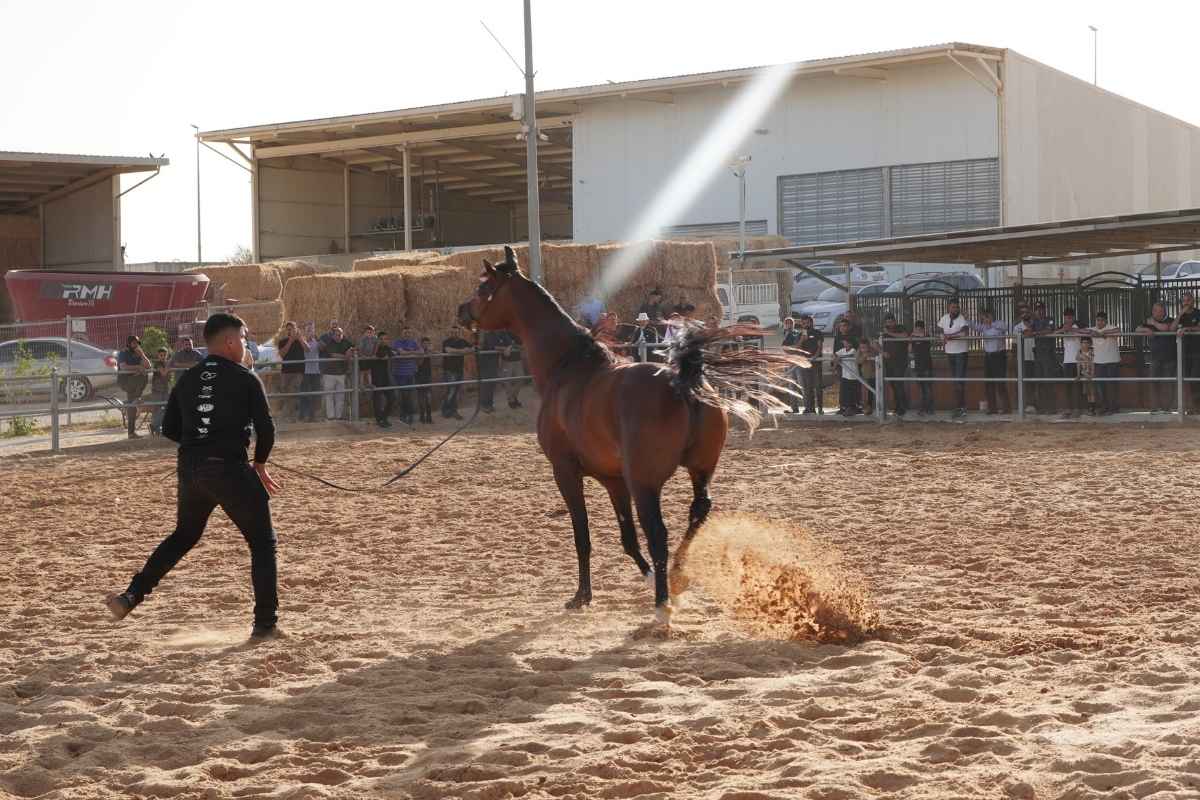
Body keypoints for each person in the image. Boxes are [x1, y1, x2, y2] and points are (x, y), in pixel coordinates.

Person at [104, 312, 282, 641]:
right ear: (230, 342)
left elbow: (170, 428)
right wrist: (260, 464)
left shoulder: (187, 378)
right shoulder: (246, 378)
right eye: (244, 339)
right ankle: (265, 625)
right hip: (229, 469)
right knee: (262, 543)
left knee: (183, 536)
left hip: (190, 470)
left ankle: (131, 596)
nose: (246, 346)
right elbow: (267, 429)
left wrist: (201, 440)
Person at [1137, 302, 1176, 413]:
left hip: (1169, 358)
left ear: (1164, 311)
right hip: (1154, 358)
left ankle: (1167, 408)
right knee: (1153, 383)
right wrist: (1146, 329)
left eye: (1158, 311)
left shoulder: (1170, 320)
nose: (1156, 313)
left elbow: (1166, 328)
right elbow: (1136, 329)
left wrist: (1152, 323)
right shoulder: (1148, 323)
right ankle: (1155, 408)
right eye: (1154, 310)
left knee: (1168, 384)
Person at [972, 309, 1011, 415]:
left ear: (991, 316)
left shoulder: (998, 323)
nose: (984, 320)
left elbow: (1006, 327)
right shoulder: (984, 327)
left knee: (1000, 382)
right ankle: (992, 408)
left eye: (985, 317)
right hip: (988, 356)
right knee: (989, 382)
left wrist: (991, 323)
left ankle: (1006, 408)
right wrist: (967, 319)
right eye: (983, 318)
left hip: (999, 356)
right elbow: (975, 326)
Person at [938, 298, 970, 418]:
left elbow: (964, 333)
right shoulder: (944, 318)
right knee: (955, 380)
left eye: (956, 307)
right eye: (953, 307)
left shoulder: (962, 318)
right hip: (949, 352)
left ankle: (961, 407)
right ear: (948, 308)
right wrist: (943, 336)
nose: (955, 309)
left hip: (961, 352)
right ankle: (959, 407)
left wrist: (949, 336)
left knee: (959, 380)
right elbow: (939, 330)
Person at [1085, 311, 1121, 415]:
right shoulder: (1093, 329)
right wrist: (1094, 333)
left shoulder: (1111, 327)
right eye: (1097, 320)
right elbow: (1082, 330)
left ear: (1106, 321)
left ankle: (1114, 408)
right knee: (1101, 386)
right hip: (1098, 362)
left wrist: (1103, 333)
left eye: (1101, 320)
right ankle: (1104, 407)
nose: (1099, 322)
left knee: (1112, 386)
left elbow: (1118, 330)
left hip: (1112, 361)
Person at [1027, 301, 1059, 415]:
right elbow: (1029, 332)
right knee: (1039, 380)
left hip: (1048, 354)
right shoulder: (1034, 321)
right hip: (1038, 354)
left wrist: (1036, 333)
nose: (1039, 311)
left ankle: (1051, 407)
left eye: (1041, 309)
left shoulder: (1050, 319)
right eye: (1037, 309)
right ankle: (1041, 407)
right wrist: (1032, 324)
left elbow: (1049, 330)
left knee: (1048, 381)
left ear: (1045, 309)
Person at [117, 335, 151, 439]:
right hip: (126, 381)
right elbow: (123, 367)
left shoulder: (137, 353)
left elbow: (148, 365)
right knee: (132, 405)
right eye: (133, 343)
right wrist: (138, 368)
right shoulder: (123, 353)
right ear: (128, 343)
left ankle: (131, 433)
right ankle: (135, 399)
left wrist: (142, 354)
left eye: (137, 343)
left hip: (136, 383)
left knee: (132, 407)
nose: (135, 345)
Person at [318, 326, 354, 420]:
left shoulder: (346, 342)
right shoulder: (329, 343)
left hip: (341, 373)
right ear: (333, 335)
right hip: (329, 373)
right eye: (337, 334)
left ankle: (338, 416)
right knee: (329, 396)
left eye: (340, 334)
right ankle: (331, 416)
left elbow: (354, 349)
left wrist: (350, 351)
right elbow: (333, 354)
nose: (339, 336)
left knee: (340, 396)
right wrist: (345, 356)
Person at [880, 313, 909, 418]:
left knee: (898, 384)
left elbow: (905, 336)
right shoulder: (884, 330)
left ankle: (902, 407)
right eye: (887, 322)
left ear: (895, 321)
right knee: (893, 384)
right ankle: (898, 406)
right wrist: (882, 352)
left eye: (891, 321)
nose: (889, 323)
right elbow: (875, 343)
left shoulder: (900, 328)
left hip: (900, 362)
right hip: (889, 362)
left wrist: (889, 333)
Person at [1174, 292, 1200, 413]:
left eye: (1188, 300)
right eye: (1184, 301)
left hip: (1197, 352)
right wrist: (1179, 314)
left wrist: (1187, 328)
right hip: (1184, 353)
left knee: (1195, 379)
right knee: (1188, 380)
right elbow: (1172, 328)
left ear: (1193, 301)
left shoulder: (1198, 313)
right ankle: (1193, 407)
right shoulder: (1181, 315)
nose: (1186, 303)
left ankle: (1197, 407)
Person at [275, 321, 306, 422]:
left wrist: (300, 338)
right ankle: (289, 415)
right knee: (286, 392)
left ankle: (290, 416)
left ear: (296, 329)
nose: (290, 331)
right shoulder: (282, 341)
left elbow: (307, 349)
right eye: (288, 329)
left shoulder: (301, 340)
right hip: (286, 371)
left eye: (292, 329)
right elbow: (282, 354)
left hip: (298, 371)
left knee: (293, 391)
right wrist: (290, 341)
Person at [441, 324, 473, 420]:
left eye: (456, 332)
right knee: (451, 390)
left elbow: (472, 349)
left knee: (455, 391)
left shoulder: (462, 341)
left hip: (459, 369)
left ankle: (452, 410)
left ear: (459, 332)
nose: (454, 333)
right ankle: (446, 410)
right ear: (450, 333)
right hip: (449, 370)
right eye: (452, 332)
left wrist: (463, 351)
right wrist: (463, 351)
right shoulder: (446, 342)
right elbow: (448, 351)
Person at [1057, 308, 1084, 419]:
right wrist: (1063, 329)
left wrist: (1072, 330)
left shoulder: (1078, 325)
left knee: (1077, 386)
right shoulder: (1062, 326)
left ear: (1073, 317)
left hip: (1078, 360)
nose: (1068, 319)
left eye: (1070, 317)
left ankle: (1078, 409)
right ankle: (1068, 409)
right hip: (1067, 361)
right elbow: (1053, 333)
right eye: (1066, 317)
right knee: (1067, 385)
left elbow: (1086, 332)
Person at [391, 326, 421, 425]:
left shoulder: (413, 342)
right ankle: (403, 415)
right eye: (405, 333)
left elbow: (421, 351)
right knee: (403, 395)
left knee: (411, 394)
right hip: (400, 373)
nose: (407, 334)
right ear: (401, 333)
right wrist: (412, 353)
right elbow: (401, 352)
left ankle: (410, 415)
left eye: (408, 333)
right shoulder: (397, 342)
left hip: (411, 372)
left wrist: (408, 353)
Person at [796, 315, 824, 414]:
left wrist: (814, 357)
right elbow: (797, 348)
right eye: (803, 323)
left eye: (807, 323)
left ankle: (820, 408)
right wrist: (802, 339)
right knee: (808, 387)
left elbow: (820, 347)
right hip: (805, 364)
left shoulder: (818, 333)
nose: (805, 325)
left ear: (811, 323)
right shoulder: (800, 335)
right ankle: (810, 408)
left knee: (818, 386)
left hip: (816, 363)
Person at [1011, 302, 1036, 413]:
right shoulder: (1017, 327)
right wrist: (1015, 358)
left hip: (1035, 357)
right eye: (1022, 313)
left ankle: (1033, 405)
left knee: (1034, 382)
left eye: (1026, 312)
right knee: (1022, 383)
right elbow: (1014, 345)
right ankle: (1022, 405)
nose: (1025, 314)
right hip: (1022, 359)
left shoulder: (1036, 324)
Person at [833, 318, 861, 416]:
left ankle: (853, 407)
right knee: (843, 387)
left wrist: (841, 357)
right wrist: (835, 365)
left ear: (849, 327)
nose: (842, 328)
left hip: (851, 367)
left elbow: (856, 351)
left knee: (852, 388)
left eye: (844, 325)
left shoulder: (853, 338)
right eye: (841, 326)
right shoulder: (837, 337)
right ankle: (843, 407)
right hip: (841, 366)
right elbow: (835, 352)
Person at [369, 331, 394, 428]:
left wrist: (388, 354)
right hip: (376, 376)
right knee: (377, 399)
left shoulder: (387, 348)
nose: (383, 341)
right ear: (378, 340)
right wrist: (384, 355)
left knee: (392, 397)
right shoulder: (375, 348)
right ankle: (379, 419)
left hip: (386, 376)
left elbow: (391, 355)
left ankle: (384, 417)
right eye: (381, 339)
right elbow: (381, 355)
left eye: (385, 339)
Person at [299, 323, 322, 422]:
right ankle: (303, 415)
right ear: (305, 331)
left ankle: (313, 416)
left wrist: (317, 339)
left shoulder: (316, 341)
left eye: (312, 330)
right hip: (306, 372)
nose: (310, 332)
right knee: (305, 394)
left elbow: (323, 348)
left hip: (316, 372)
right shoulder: (301, 341)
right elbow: (307, 349)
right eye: (308, 330)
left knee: (315, 394)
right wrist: (302, 339)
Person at [496, 330, 524, 409]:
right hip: (506, 361)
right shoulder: (500, 333)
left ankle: (513, 397)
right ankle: (511, 400)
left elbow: (522, 345)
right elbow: (496, 346)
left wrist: (511, 346)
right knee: (507, 380)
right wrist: (508, 347)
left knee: (520, 379)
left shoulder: (516, 332)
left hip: (518, 360)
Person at [911, 320, 934, 415]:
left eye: (920, 328)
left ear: (923, 329)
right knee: (921, 389)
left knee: (927, 388)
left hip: (926, 365)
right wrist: (912, 337)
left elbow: (927, 339)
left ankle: (929, 408)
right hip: (917, 366)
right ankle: (922, 408)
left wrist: (918, 335)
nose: (918, 330)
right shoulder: (913, 337)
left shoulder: (927, 336)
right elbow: (909, 349)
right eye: (917, 328)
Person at [478, 330, 504, 413]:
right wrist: (505, 348)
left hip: (493, 362)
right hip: (486, 363)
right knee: (486, 384)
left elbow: (503, 344)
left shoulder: (497, 334)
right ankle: (484, 405)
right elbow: (493, 347)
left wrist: (505, 347)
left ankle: (489, 404)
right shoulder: (487, 333)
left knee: (492, 384)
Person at [780, 317, 802, 413]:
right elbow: (785, 348)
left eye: (790, 323)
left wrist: (790, 348)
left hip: (796, 361)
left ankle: (809, 407)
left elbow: (796, 347)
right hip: (789, 361)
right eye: (787, 323)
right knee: (791, 385)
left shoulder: (796, 333)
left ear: (793, 324)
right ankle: (794, 407)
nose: (788, 325)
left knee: (801, 384)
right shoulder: (786, 334)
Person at [148, 347, 171, 435]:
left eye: (165, 355)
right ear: (158, 356)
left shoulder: (166, 363)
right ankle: (155, 427)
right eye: (161, 355)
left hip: (165, 389)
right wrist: (169, 366)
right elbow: (164, 373)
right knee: (157, 409)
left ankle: (156, 426)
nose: (163, 357)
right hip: (157, 390)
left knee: (164, 408)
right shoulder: (158, 363)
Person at [415, 337, 434, 424]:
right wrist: (423, 353)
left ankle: (429, 416)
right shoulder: (418, 351)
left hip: (428, 376)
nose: (426, 345)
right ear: (421, 344)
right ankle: (422, 416)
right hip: (419, 376)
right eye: (424, 343)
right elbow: (419, 363)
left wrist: (429, 351)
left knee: (428, 397)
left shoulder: (429, 351)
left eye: (427, 343)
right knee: (421, 397)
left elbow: (435, 354)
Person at [1076, 336, 1097, 415]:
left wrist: (1092, 374)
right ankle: (1090, 408)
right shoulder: (1079, 352)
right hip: (1084, 374)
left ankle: (1093, 409)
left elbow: (1093, 363)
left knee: (1092, 392)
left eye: (1087, 343)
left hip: (1091, 374)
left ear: (1090, 344)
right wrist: (1078, 375)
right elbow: (1078, 364)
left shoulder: (1092, 351)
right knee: (1087, 392)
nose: (1085, 344)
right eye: (1083, 343)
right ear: (1081, 344)